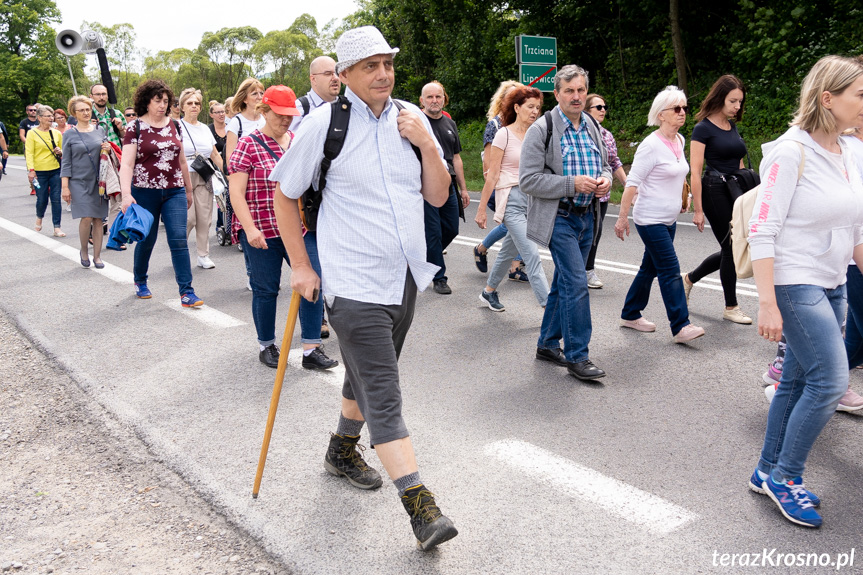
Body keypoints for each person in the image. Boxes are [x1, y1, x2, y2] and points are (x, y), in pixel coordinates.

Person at [270, 25, 458, 551]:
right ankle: (421, 505)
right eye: (370, 66)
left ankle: (340, 450)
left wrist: (426, 144)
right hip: (351, 282)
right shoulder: (322, 125)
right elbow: (285, 196)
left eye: (388, 64)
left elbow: (439, 197)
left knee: (367, 373)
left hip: (403, 278)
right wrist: (302, 267)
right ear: (346, 75)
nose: (383, 74)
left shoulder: (412, 118)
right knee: (383, 388)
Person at [747, 55, 863, 529]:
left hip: (833, 280)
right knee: (831, 382)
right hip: (795, 283)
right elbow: (762, 228)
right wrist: (768, 302)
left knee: (795, 383)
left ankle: (765, 471)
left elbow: (856, 226)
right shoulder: (790, 152)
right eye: (860, 94)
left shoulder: (852, 150)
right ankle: (786, 478)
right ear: (827, 98)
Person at [228, 85, 338, 371]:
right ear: (264, 111)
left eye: (290, 115)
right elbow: (236, 193)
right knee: (265, 290)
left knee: (313, 280)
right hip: (261, 229)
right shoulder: (248, 144)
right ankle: (267, 345)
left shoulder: (297, 141)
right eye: (279, 114)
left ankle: (311, 348)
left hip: (298, 229)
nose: (286, 120)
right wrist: (250, 229)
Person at [520, 64, 611, 381]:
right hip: (558, 218)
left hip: (588, 217)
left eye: (581, 90)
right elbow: (528, 181)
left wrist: (605, 182)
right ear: (556, 94)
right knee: (575, 284)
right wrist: (572, 184)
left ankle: (546, 344)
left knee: (562, 284)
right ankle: (578, 356)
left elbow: (606, 166)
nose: (576, 96)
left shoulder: (592, 127)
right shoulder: (541, 130)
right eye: (569, 90)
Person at [614, 87, 705, 343]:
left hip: (670, 218)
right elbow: (632, 183)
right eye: (677, 109)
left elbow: (679, 172)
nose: (683, 113)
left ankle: (630, 313)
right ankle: (681, 325)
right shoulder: (650, 146)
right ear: (661, 114)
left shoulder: (680, 140)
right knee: (669, 269)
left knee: (649, 268)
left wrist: (683, 196)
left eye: (684, 108)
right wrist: (622, 217)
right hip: (650, 219)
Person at [119, 79, 203, 307]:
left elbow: (182, 160)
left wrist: (187, 189)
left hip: (174, 190)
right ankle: (140, 280)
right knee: (147, 239)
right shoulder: (135, 127)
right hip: (145, 191)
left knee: (178, 240)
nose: (163, 105)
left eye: (166, 101)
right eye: (158, 101)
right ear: (146, 102)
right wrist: (126, 195)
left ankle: (187, 292)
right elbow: (126, 164)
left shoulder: (175, 125)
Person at [681, 75, 753, 324]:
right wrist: (698, 209)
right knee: (730, 248)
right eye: (733, 101)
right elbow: (696, 171)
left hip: (735, 191)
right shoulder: (703, 128)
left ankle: (689, 279)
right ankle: (731, 306)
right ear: (720, 98)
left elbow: (739, 162)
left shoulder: (732, 127)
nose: (737, 107)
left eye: (740, 102)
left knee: (734, 247)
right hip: (713, 191)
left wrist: (745, 193)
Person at [475, 84, 548, 311]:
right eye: (530, 106)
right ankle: (551, 309)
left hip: (532, 201)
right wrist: (480, 210)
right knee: (532, 256)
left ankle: (489, 292)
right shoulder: (503, 135)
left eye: (538, 107)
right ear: (516, 107)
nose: (535, 111)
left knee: (507, 251)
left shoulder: (538, 135)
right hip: (512, 202)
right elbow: (492, 174)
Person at [420, 81, 469, 294]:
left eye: (438, 96)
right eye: (429, 97)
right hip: (425, 185)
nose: (434, 101)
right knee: (433, 233)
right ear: (422, 100)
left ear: (444, 98)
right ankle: (439, 278)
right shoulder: (417, 122)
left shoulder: (450, 124)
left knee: (451, 227)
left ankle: (424, 260)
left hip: (448, 183)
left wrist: (464, 188)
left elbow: (456, 158)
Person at [474, 80, 525, 279]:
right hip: (502, 186)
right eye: (511, 97)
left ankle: (485, 250)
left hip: (521, 186)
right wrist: (492, 190)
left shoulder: (523, 125)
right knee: (517, 224)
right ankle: (513, 267)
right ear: (503, 100)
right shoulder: (495, 125)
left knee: (517, 223)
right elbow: (488, 163)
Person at [60, 96, 110, 268]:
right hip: (78, 181)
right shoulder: (69, 134)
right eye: (81, 110)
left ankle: (97, 256)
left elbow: (105, 156)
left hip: (98, 181)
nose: (86, 112)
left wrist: (108, 150)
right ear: (74, 113)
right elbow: (65, 162)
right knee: (87, 216)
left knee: (99, 219)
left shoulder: (99, 130)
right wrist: (65, 187)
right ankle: (83, 250)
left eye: (88, 109)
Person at [584, 93, 627, 289]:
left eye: (604, 107)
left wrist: (628, 185)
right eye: (598, 107)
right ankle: (574, 270)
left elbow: (614, 162)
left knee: (596, 232)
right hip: (581, 194)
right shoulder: (580, 132)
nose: (603, 110)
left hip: (601, 195)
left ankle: (588, 270)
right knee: (578, 233)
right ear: (586, 110)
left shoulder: (607, 135)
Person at [178, 88, 223, 270]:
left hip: (204, 173)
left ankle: (203, 255)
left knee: (204, 217)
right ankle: (179, 251)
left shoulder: (205, 128)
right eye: (190, 103)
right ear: (182, 107)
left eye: (197, 103)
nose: (194, 106)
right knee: (189, 219)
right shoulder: (176, 126)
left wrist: (227, 172)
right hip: (183, 175)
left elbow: (213, 153)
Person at [91, 84, 126, 233]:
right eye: (98, 94)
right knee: (96, 199)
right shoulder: (86, 114)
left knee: (117, 198)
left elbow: (126, 137)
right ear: (91, 96)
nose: (101, 97)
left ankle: (114, 233)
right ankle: (93, 230)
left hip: (114, 161)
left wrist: (121, 128)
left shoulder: (115, 113)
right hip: (94, 162)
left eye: (104, 94)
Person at [25, 105, 65, 236]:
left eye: (51, 115)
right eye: (48, 116)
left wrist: (60, 151)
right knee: (41, 198)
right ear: (39, 118)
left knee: (56, 198)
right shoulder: (32, 133)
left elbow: (64, 151)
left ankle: (57, 227)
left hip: (55, 170)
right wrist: (31, 170)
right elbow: (29, 153)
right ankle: (39, 217)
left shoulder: (56, 133)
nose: (51, 118)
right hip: (38, 172)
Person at [292, 55, 341, 134]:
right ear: (313, 79)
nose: (335, 78)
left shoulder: (348, 107)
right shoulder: (300, 109)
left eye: (336, 73)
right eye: (328, 74)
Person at [225, 78, 265, 165]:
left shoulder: (266, 119)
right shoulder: (236, 123)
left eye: (261, 93)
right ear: (245, 99)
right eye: (254, 94)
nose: (259, 97)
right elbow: (230, 158)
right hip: (244, 174)